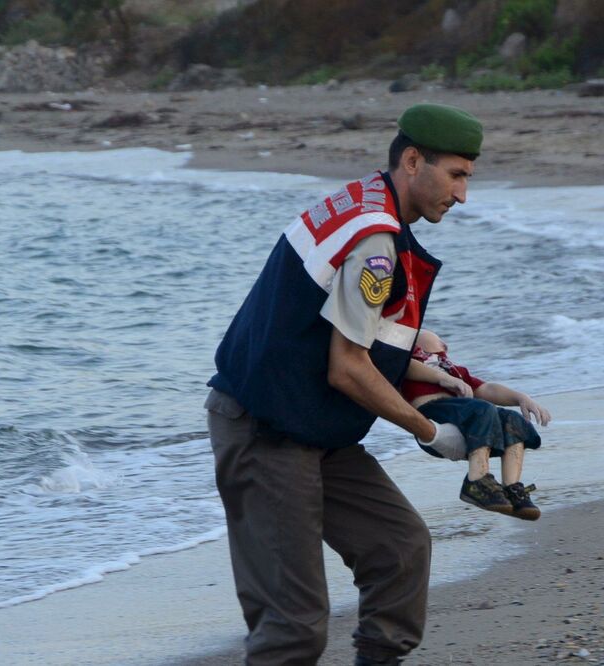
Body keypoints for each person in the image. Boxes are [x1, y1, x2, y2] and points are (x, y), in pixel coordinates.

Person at [205, 103, 483, 666]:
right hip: (265, 432)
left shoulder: (368, 202)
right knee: (294, 630)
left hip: (315, 427)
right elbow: (348, 367)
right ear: (412, 160)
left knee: (400, 550)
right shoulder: (376, 241)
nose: (461, 195)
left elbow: (356, 327)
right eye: (455, 175)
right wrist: (430, 432)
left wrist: (433, 371)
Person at [401, 329, 550, 520]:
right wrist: (443, 378)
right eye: (438, 338)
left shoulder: (454, 370)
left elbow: (486, 388)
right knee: (483, 409)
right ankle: (477, 480)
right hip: (432, 412)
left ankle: (512, 489)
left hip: (466, 418)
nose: (443, 343)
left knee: (512, 420)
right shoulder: (410, 362)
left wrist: (520, 397)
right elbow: (405, 365)